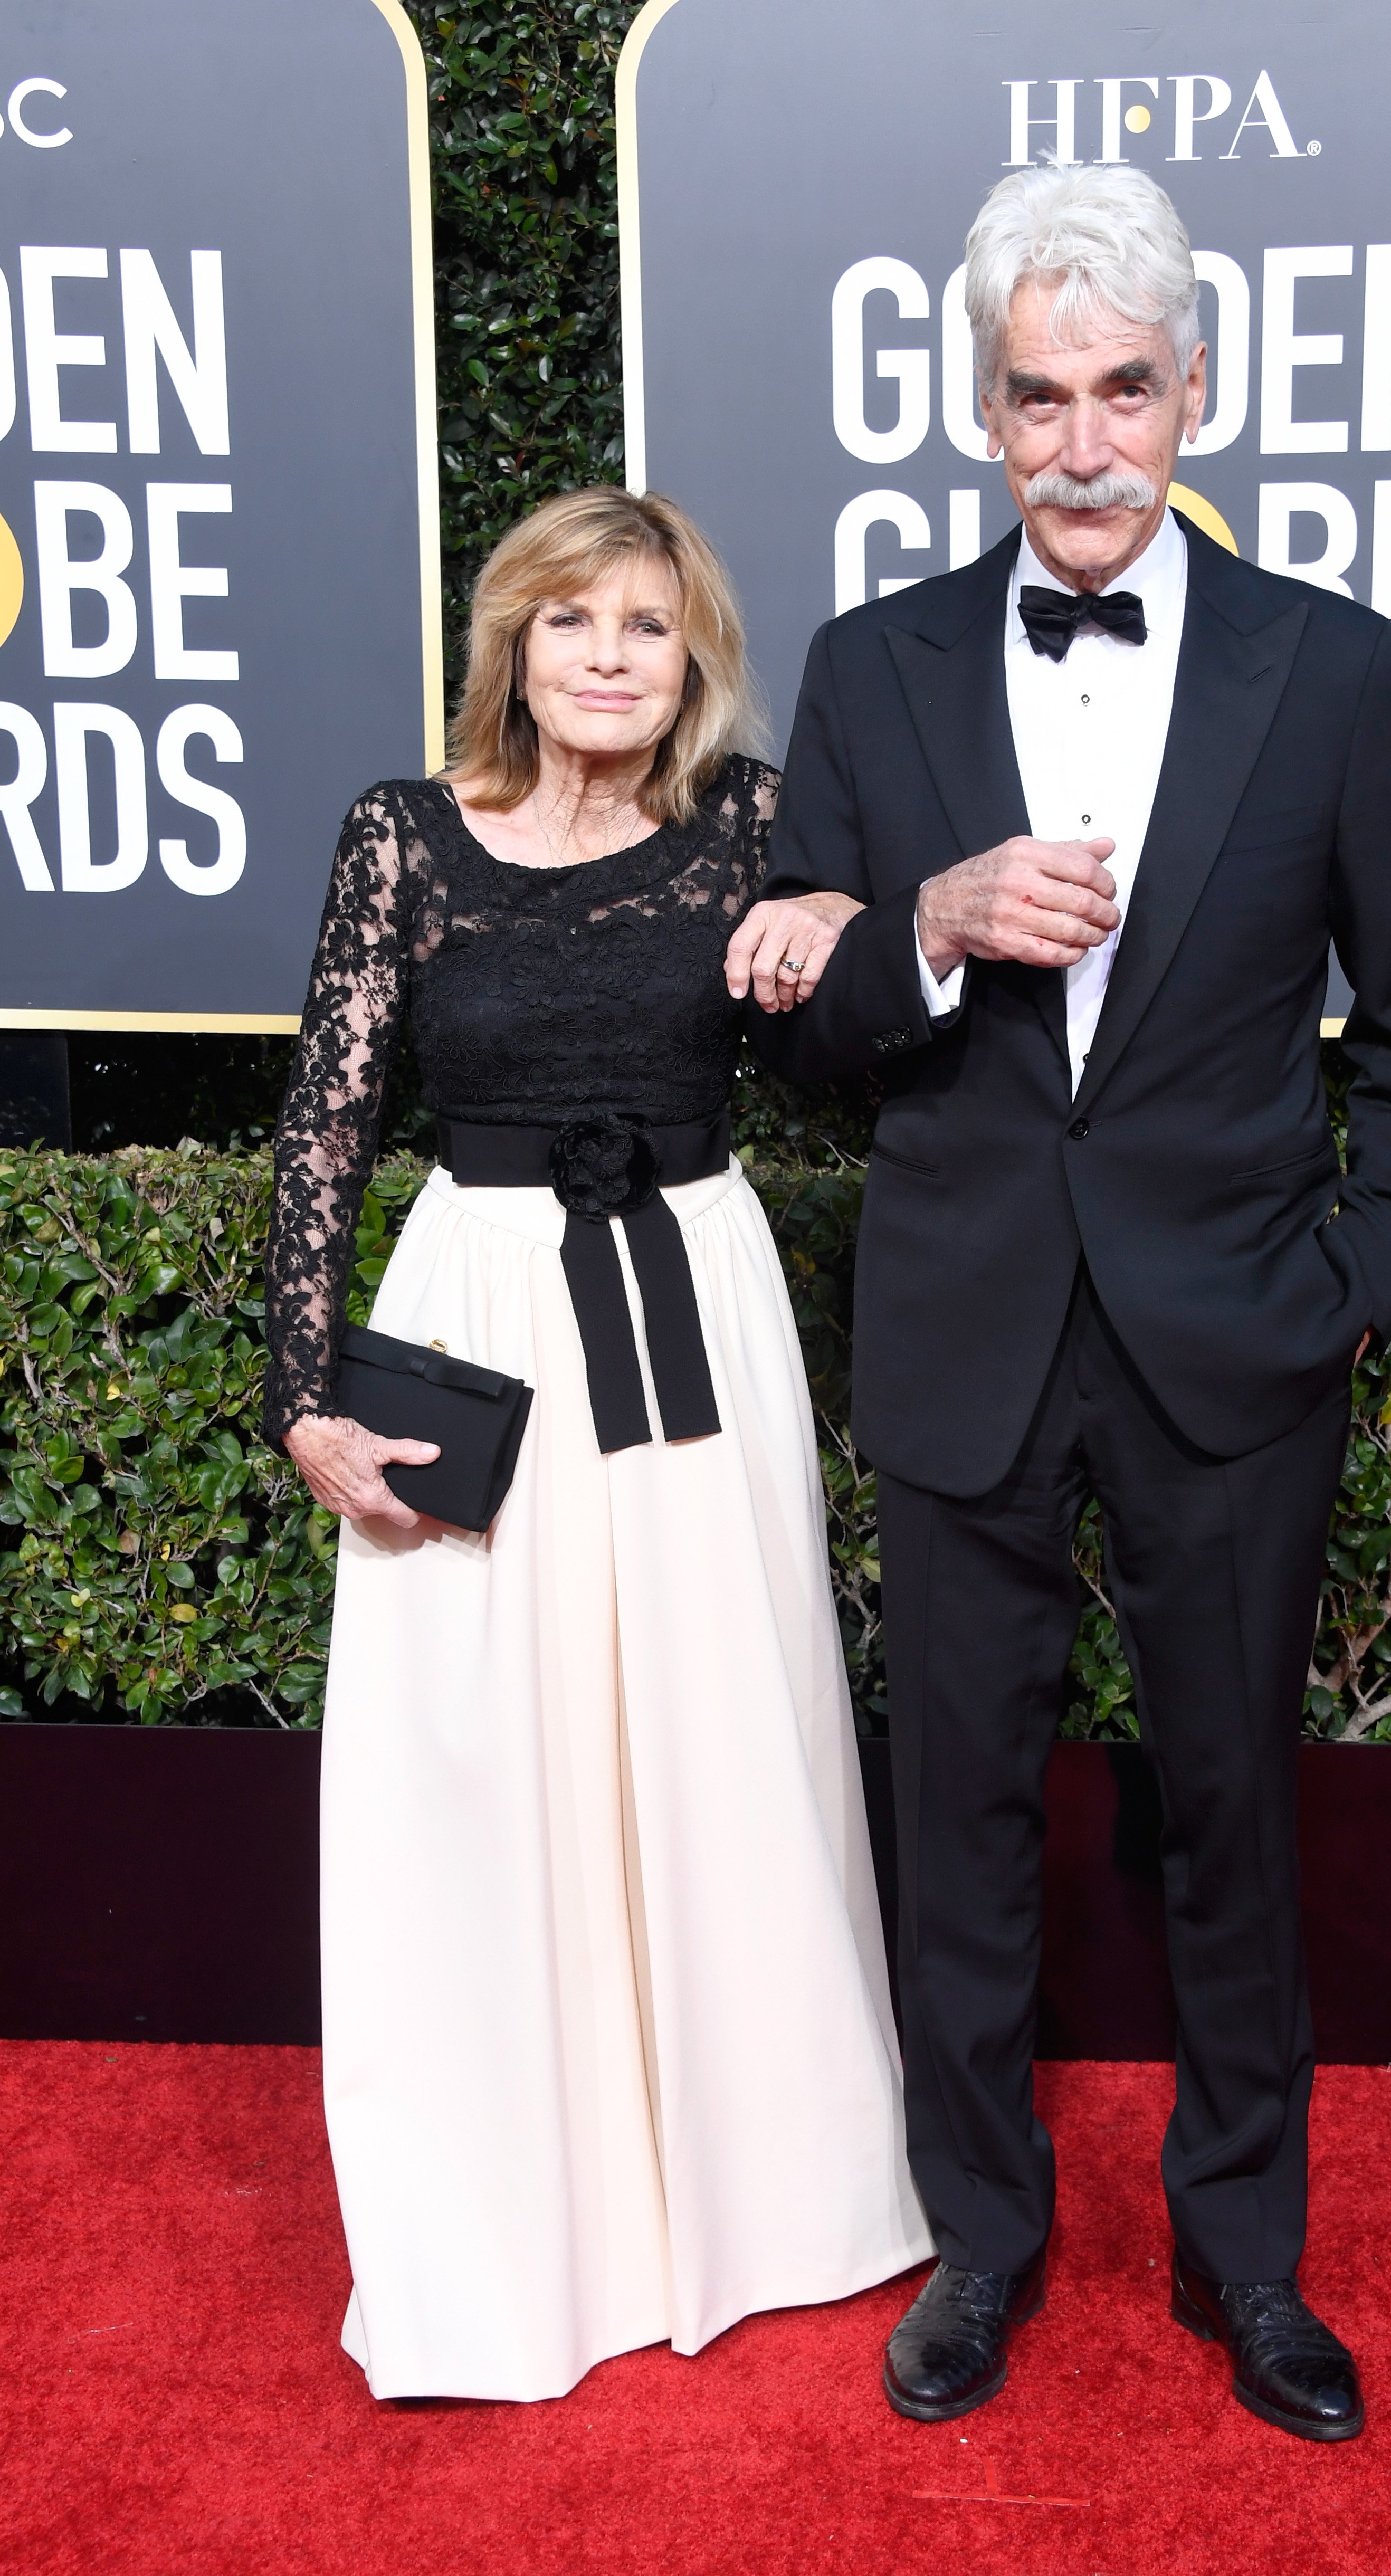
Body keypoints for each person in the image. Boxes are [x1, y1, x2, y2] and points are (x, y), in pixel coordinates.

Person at [728, 163, 1391, 2439]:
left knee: (1232, 1812)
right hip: (969, 1328)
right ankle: (980, 2243)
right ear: (979, 411)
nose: (1080, 442)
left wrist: (1355, 1277)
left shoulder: (1332, 672)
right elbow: (794, 1015)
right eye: (1037, 396)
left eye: (1122, 392)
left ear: (1191, 398)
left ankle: (1245, 2264)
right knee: (953, 1813)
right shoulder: (873, 668)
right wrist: (930, 918)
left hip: (1232, 1338)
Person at [264, 485, 929, 2403]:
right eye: (574, 622)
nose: (613, 656)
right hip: (475, 1305)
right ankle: (515, 2211)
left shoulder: (749, 827)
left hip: (691, 1309)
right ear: (515, 646)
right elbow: (324, 1115)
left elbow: (859, 1029)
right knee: (483, 1750)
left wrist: (842, 918)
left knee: (725, 1727)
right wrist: (307, 1388)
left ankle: (766, 2188)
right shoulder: (401, 837)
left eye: (650, 625)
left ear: (693, 654)